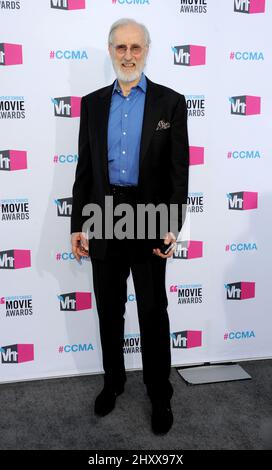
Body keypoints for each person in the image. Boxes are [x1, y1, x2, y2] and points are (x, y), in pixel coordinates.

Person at [71, 18, 189, 435]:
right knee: (108, 308)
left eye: (135, 47)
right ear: (110, 51)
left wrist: (172, 224)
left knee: (154, 311)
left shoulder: (171, 103)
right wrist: (78, 224)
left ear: (147, 50)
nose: (128, 55)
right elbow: (85, 169)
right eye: (120, 47)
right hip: (103, 216)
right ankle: (113, 381)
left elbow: (179, 173)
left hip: (150, 217)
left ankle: (160, 393)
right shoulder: (92, 103)